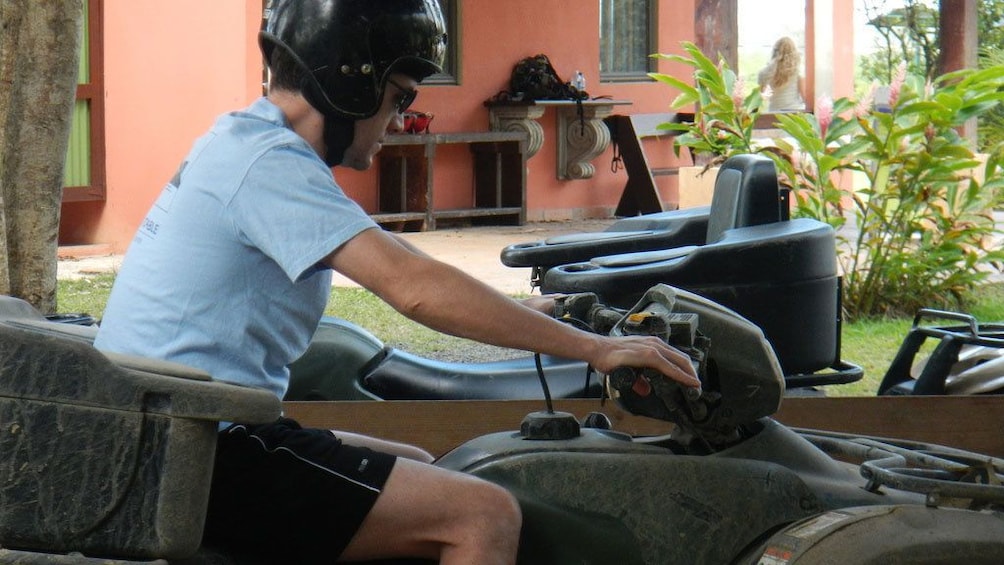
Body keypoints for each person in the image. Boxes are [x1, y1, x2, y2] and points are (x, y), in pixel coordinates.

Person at [93, 0, 702, 563]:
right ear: (349, 84)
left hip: (181, 432)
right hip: (200, 451)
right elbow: (412, 284)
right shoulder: (267, 165)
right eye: (399, 98)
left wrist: (535, 310)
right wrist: (596, 348)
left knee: (422, 462)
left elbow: (404, 265)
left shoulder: (243, 143)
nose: (400, 119)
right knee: (482, 514)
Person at [757, 36, 805, 112]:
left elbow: (760, 98)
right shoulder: (797, 71)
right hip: (794, 113)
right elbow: (804, 96)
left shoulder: (764, 73)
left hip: (773, 113)